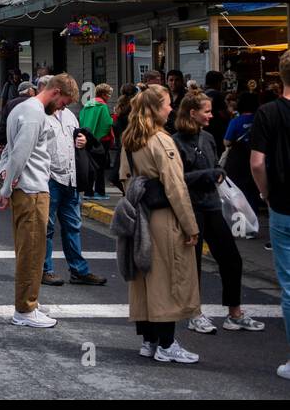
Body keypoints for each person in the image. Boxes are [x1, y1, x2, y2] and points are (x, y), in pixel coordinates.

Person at [119, 85, 202, 363]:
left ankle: (149, 340)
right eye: (167, 104)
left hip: (139, 215)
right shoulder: (161, 140)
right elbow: (176, 187)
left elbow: (124, 178)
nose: (171, 108)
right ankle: (167, 344)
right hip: (163, 218)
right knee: (167, 279)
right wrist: (190, 226)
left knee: (143, 278)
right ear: (155, 108)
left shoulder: (130, 139)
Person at [172, 91, 263, 335]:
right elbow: (175, 179)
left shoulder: (208, 138)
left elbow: (214, 166)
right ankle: (194, 314)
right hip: (190, 209)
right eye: (207, 111)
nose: (211, 115)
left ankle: (235, 313)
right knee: (193, 264)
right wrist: (209, 174)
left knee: (232, 259)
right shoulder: (175, 142)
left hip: (212, 206)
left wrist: (217, 172)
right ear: (193, 113)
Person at [0, 74, 77, 328]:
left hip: (27, 188)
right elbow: (19, 154)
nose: (62, 108)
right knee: (32, 252)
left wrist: (6, 178)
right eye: (63, 103)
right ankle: (25, 308)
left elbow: (10, 151)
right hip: (32, 190)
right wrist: (6, 189)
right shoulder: (35, 113)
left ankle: (28, 301)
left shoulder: (22, 109)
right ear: (56, 92)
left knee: (29, 249)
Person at [248, 49, 290, 380]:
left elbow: (257, 163)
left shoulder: (268, 112)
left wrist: (265, 193)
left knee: (289, 285)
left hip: (283, 204)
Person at [41, 90, 108, 288]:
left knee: (73, 227)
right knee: (47, 228)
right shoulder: (40, 115)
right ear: (55, 94)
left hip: (70, 179)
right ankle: (45, 269)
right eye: (66, 100)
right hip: (50, 178)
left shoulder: (69, 115)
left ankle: (79, 270)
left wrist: (83, 141)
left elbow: (76, 140)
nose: (66, 104)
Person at [223, 93, 263, 214]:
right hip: (257, 157)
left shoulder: (236, 121)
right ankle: (253, 215)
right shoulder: (261, 120)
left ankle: (241, 217)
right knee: (253, 191)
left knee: (239, 191)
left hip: (238, 162)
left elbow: (227, 142)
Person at [78, 84, 114, 198]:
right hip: (101, 141)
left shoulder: (87, 105)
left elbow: (81, 118)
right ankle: (100, 191)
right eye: (108, 94)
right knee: (100, 167)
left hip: (87, 139)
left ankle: (88, 191)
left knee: (90, 166)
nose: (109, 97)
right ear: (103, 94)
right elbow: (107, 123)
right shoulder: (102, 106)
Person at [0, 80, 35, 149]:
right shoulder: (35, 103)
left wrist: (1, 141)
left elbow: (3, 124)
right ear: (30, 91)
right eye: (33, 90)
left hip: (13, 139)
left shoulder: (10, 104)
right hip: (32, 140)